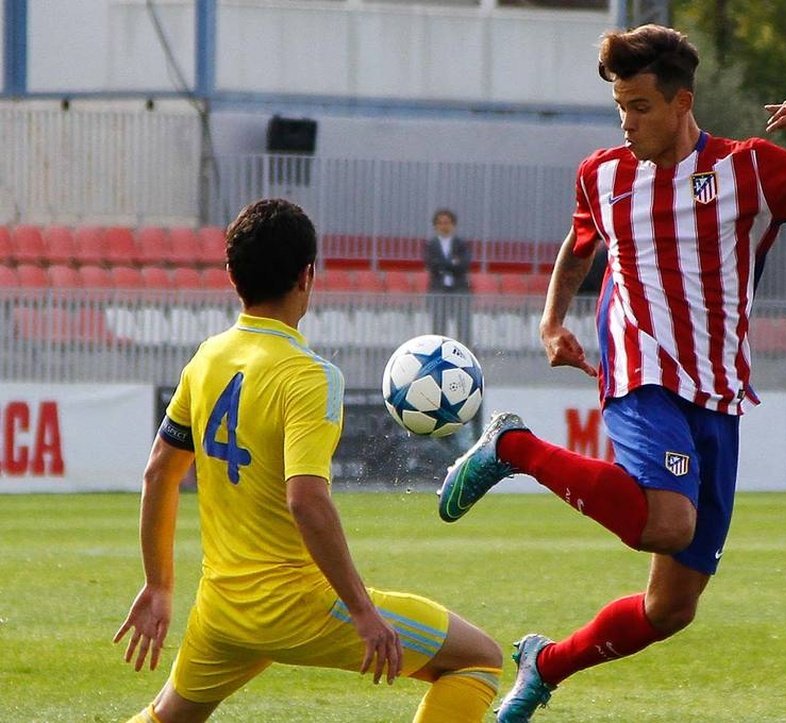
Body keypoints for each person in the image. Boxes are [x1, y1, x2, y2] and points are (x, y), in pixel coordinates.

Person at [436, 24, 786, 721]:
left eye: (640, 105)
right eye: (620, 104)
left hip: (718, 390)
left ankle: (545, 662)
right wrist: (552, 320)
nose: (628, 121)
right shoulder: (603, 174)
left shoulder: (750, 169)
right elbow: (578, 247)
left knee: (670, 607)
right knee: (668, 521)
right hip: (640, 368)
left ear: (682, 103)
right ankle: (511, 448)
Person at [114, 198, 502, 723]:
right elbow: (306, 498)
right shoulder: (310, 376)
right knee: (478, 659)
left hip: (223, 609)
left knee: (168, 716)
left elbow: (159, 471)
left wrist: (159, 585)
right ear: (308, 275)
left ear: (232, 275)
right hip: (300, 607)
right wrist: (363, 611)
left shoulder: (206, 357)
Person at [424, 208, 472, 342]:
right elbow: (431, 264)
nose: (444, 226)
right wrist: (452, 263)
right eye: (440, 223)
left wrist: (443, 264)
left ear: (453, 225)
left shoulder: (461, 244)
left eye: (447, 223)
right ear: (435, 226)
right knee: (438, 327)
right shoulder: (431, 245)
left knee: (464, 327)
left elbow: (464, 264)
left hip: (459, 290)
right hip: (438, 289)